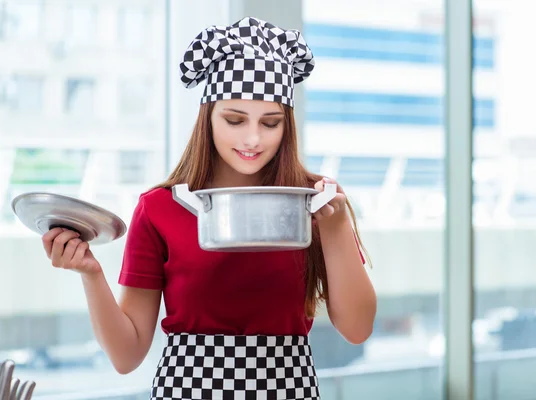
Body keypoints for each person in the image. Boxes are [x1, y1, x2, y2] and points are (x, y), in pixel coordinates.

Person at [41, 16, 376, 400]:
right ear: (208, 117)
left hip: (289, 388)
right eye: (235, 119)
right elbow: (126, 355)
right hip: (187, 389)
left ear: (287, 126)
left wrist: (335, 230)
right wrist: (91, 273)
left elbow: (357, 329)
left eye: (270, 123)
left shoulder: (316, 201)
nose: (252, 138)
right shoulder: (159, 209)